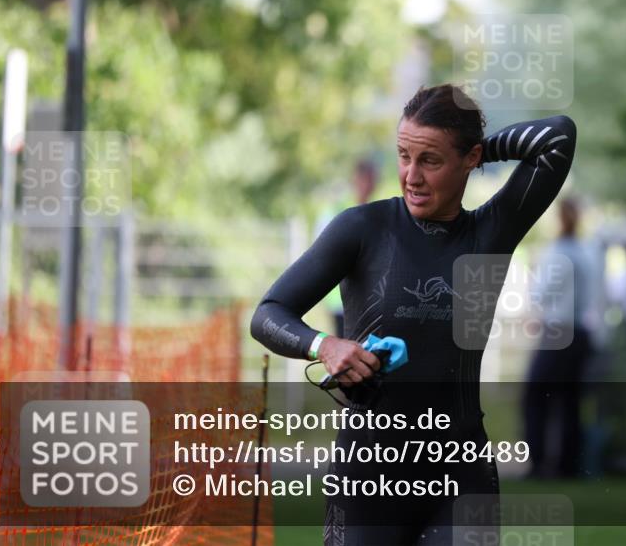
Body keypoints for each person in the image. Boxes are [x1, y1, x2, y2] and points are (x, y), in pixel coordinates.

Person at [251, 84, 576, 545]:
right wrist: (325, 345)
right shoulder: (362, 229)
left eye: (431, 160)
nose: (412, 176)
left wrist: (475, 151)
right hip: (368, 476)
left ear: (471, 159)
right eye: (404, 156)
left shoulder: (490, 234)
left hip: (462, 475)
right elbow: (268, 313)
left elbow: (558, 137)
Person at [522, 196, 596, 478]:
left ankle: (538, 462)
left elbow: (541, 293)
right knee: (569, 400)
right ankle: (568, 465)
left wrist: (532, 274)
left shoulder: (558, 252)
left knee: (535, 397)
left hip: (558, 332)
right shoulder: (585, 252)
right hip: (580, 333)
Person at [315, 159, 379, 336]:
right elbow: (322, 253)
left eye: (373, 181)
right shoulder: (336, 211)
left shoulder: (375, 211)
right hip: (339, 298)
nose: (369, 186)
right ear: (356, 180)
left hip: (368, 298)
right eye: (366, 180)